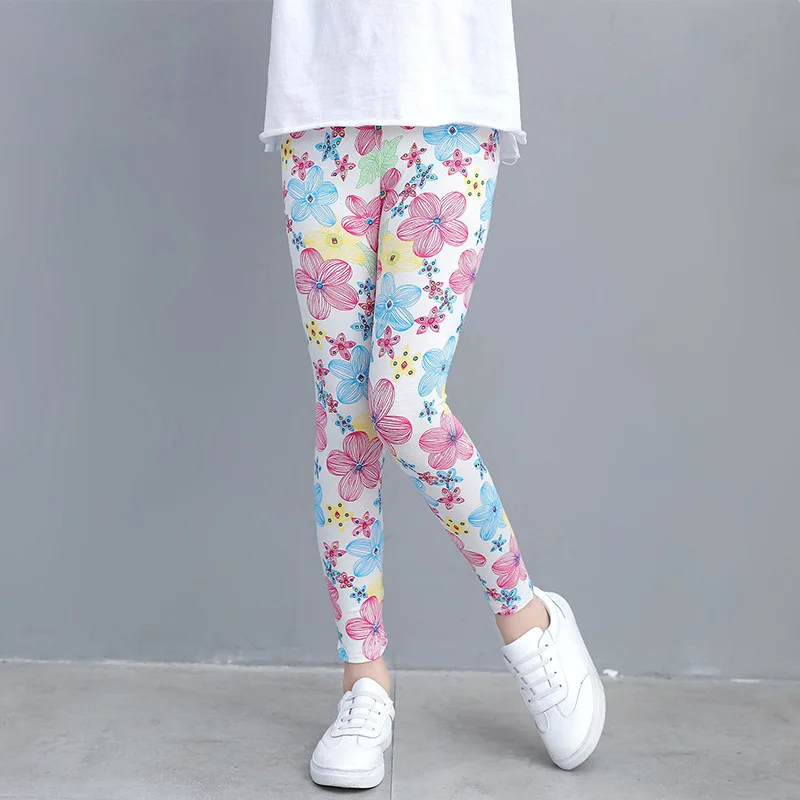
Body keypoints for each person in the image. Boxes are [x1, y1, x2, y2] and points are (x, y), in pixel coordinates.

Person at [260, 0, 605, 789]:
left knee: (402, 405)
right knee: (346, 420)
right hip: (324, 105)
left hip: (447, 100)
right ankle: (365, 682)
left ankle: (528, 617)